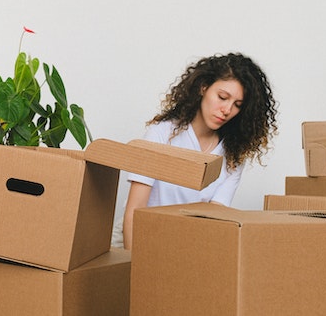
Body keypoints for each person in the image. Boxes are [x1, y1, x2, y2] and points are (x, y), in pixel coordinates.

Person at [112, 52, 278, 250]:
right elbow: (134, 210)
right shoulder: (162, 134)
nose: (226, 109)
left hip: (184, 242)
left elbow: (212, 220)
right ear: (203, 88)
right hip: (136, 235)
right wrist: (134, 265)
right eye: (222, 97)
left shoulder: (233, 156)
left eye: (237, 105)